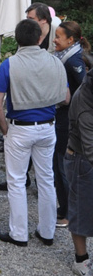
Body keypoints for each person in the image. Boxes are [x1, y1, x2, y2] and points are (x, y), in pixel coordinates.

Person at [0, 19, 68, 247]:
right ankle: (46, 232)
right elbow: (65, 98)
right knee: (46, 179)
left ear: (17, 39)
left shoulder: (10, 64)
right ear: (40, 38)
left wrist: (5, 129)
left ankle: (19, 233)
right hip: (47, 126)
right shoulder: (56, 62)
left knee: (16, 181)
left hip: (20, 127)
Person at [52, 21, 88, 228]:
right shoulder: (66, 56)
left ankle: (66, 212)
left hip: (67, 120)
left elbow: (83, 91)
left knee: (61, 165)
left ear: (71, 40)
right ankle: (64, 207)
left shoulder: (74, 60)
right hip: (63, 116)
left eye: (58, 36)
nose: (55, 40)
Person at [65, 64, 93, 275]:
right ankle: (80, 260)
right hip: (82, 158)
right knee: (80, 211)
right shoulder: (85, 100)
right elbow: (89, 145)